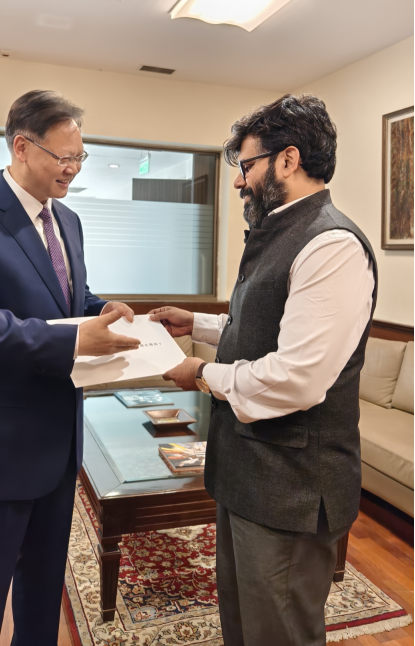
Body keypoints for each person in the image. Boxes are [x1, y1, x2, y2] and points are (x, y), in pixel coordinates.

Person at [150, 94, 378, 646]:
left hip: (292, 490)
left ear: (287, 160)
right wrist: (200, 325)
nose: (237, 182)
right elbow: (266, 322)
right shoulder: (282, 230)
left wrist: (202, 375)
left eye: (244, 166)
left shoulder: (331, 245)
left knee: (279, 632)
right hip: (249, 475)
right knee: (244, 625)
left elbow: (296, 377)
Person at [0, 90, 140, 646]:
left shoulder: (67, 220)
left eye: (80, 158)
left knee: (44, 594)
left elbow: (72, 298)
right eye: (62, 158)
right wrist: (71, 344)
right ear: (22, 147)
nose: (72, 169)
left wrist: (101, 310)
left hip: (57, 442)